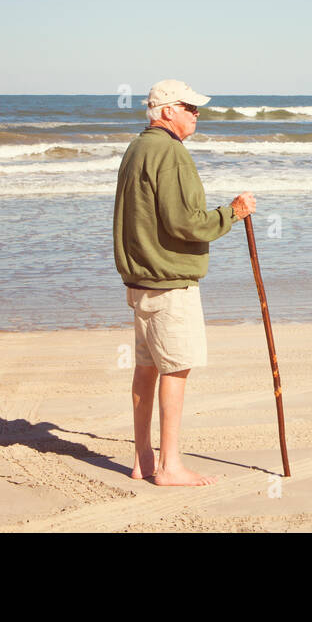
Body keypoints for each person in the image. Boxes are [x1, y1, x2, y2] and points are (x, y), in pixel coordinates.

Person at [113, 79, 255, 486]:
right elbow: (185, 223)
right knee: (175, 367)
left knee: (147, 366)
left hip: (141, 279)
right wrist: (233, 212)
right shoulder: (169, 153)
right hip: (169, 279)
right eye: (190, 107)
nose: (197, 114)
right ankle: (168, 465)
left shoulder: (137, 148)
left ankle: (143, 458)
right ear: (167, 111)